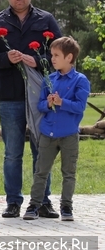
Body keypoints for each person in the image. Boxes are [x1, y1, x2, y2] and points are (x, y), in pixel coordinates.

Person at [0, 0, 62, 219]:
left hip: (42, 97)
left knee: (42, 150)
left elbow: (61, 53)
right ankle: (13, 202)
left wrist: (37, 61)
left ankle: (42, 201)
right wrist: (7, 59)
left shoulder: (46, 20)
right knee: (13, 153)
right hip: (10, 96)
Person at [22, 37, 89, 222]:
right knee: (41, 171)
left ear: (69, 57)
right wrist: (49, 102)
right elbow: (41, 106)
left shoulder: (80, 81)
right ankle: (34, 205)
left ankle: (66, 207)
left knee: (69, 172)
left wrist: (62, 102)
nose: (52, 58)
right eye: (52, 55)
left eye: (56, 55)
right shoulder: (49, 79)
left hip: (69, 135)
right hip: (48, 133)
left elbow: (79, 107)